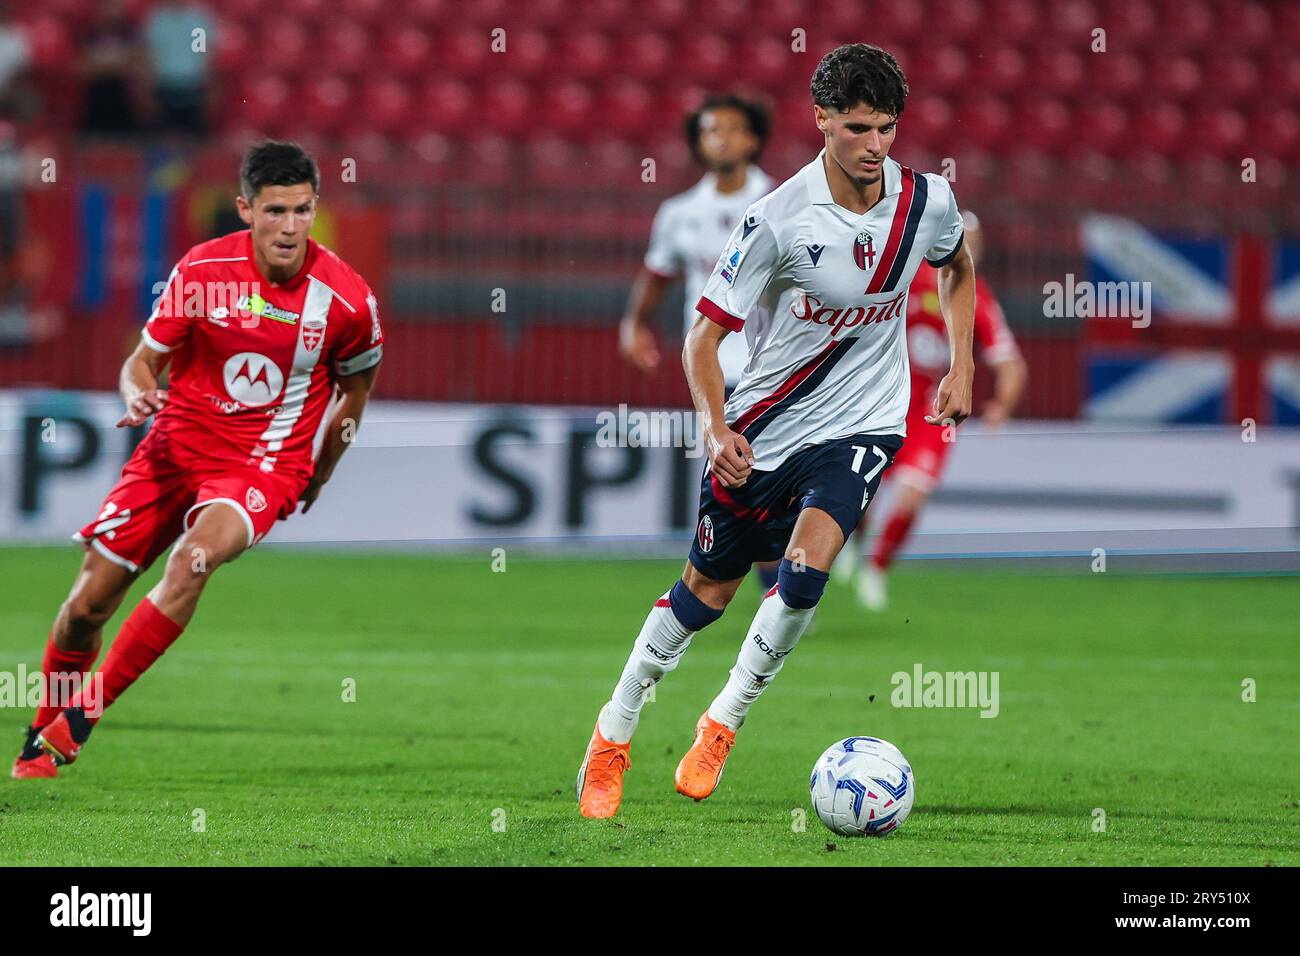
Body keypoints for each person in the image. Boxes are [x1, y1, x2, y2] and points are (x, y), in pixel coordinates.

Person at [577, 43, 976, 818]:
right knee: (705, 594)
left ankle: (723, 720)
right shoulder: (778, 220)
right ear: (820, 119)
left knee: (805, 570)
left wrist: (960, 366)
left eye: (888, 128)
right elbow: (701, 338)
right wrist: (716, 426)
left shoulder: (927, 200)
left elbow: (955, 266)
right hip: (765, 423)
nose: (876, 146)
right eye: (859, 127)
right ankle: (615, 729)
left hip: (865, 420)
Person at [12, 141, 384, 778]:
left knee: (193, 561)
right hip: (171, 452)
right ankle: (40, 736)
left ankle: (84, 715)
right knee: (85, 610)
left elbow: (355, 391)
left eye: (302, 210)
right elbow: (142, 361)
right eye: (275, 211)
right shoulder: (201, 272)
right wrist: (135, 395)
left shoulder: (347, 302)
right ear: (245, 209)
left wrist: (318, 474)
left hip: (262, 467)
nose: (291, 227)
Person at [619, 93, 780, 590]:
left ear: (753, 138)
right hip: (711, 362)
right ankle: (776, 584)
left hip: (771, 361)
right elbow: (657, 273)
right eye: (711, 129)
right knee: (742, 477)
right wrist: (635, 323)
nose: (722, 137)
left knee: (756, 478)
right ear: (698, 142)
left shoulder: (780, 201)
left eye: (732, 128)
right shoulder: (679, 212)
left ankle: (770, 579)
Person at [839, 212, 1027, 609]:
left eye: (976, 244)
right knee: (860, 496)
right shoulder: (905, 277)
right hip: (882, 403)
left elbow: (1011, 363)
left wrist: (1001, 407)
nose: (969, 250)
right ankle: (853, 543)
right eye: (965, 240)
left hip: (932, 416)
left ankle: (876, 569)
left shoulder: (980, 298)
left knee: (911, 497)